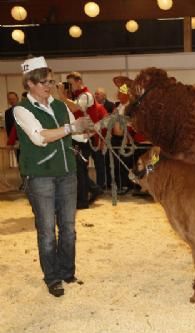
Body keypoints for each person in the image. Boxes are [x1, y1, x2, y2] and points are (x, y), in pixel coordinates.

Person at [13, 56, 94, 297]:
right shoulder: (21, 109)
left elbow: (77, 136)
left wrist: (90, 129)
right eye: (41, 82)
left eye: (49, 81)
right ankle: (52, 277)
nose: (47, 86)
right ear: (29, 83)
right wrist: (72, 128)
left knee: (68, 227)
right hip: (40, 176)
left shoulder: (60, 106)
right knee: (47, 230)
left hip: (67, 172)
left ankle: (67, 271)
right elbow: (40, 137)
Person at [57, 72, 107, 208]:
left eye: (71, 83)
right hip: (79, 137)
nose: (70, 87)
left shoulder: (87, 95)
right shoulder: (78, 96)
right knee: (79, 169)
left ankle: (84, 199)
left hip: (84, 138)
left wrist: (62, 96)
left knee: (79, 169)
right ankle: (92, 191)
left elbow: (75, 107)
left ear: (79, 81)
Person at [4, 92, 20, 160]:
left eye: (13, 99)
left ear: (17, 98)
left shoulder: (23, 109)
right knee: (18, 158)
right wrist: (10, 141)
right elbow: (8, 127)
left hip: (25, 139)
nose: (12, 101)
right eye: (10, 99)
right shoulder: (7, 112)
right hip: (15, 140)